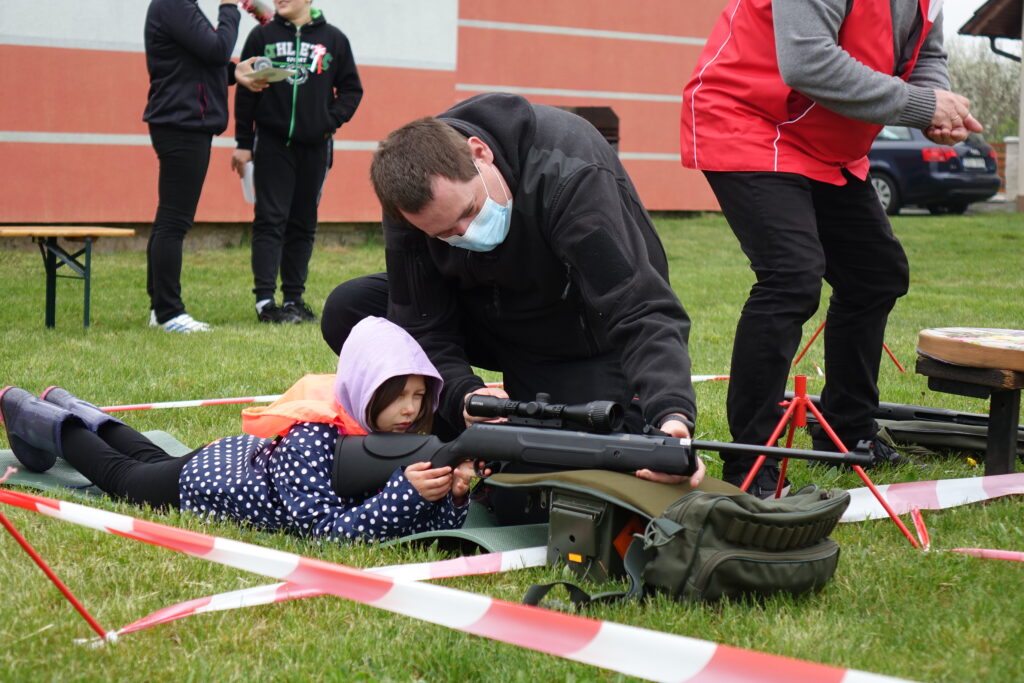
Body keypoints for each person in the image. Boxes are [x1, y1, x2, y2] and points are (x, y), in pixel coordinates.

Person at [321, 93, 706, 523]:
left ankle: (502, 448)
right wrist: (463, 394)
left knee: (535, 501)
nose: (464, 234)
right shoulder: (410, 200)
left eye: (468, 212)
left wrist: (672, 417)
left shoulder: (570, 173)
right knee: (351, 309)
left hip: (580, 336)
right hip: (491, 318)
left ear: (479, 154)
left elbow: (640, 308)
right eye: (445, 233)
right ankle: (433, 445)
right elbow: (421, 324)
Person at [679, 0, 981, 496]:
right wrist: (922, 106)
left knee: (876, 273)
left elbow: (926, 52)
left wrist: (936, 98)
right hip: (749, 121)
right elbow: (807, 61)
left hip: (826, 143)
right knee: (792, 275)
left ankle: (847, 431)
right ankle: (753, 461)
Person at [0, 317, 475, 543]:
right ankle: (34, 415)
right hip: (209, 484)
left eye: (420, 395)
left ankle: (70, 405)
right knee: (125, 479)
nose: (411, 410)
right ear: (364, 387)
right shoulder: (316, 434)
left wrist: (448, 498)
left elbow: (408, 527)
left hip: (234, 460)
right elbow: (321, 532)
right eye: (397, 394)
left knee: (147, 459)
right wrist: (404, 493)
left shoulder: (388, 440)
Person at [231, 0, 363, 325]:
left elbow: (351, 90)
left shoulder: (334, 39)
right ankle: (265, 302)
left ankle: (293, 299)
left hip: (315, 147)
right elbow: (246, 92)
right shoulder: (262, 35)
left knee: (302, 223)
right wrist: (244, 143)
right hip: (272, 143)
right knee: (269, 220)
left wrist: (327, 121)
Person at [143, 0, 268, 333]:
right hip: (182, 124)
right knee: (175, 220)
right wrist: (229, 7)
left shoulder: (180, 7)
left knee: (168, 218)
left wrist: (234, 72)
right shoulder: (174, 4)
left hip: (181, 121)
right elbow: (215, 49)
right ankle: (170, 313)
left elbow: (198, 61)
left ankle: (160, 308)